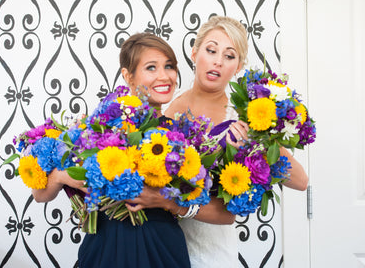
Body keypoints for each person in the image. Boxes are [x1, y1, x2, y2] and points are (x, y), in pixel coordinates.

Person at [32, 32, 191, 268]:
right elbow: (40, 195)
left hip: (162, 247)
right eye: (151, 67)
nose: (164, 76)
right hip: (106, 245)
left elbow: (194, 202)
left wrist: (163, 200)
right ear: (128, 75)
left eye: (169, 66)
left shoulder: (181, 136)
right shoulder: (99, 127)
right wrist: (66, 176)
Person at [162, 15, 309, 267]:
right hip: (169, 244)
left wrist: (258, 141)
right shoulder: (169, 112)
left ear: (238, 66)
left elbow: (300, 181)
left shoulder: (243, 117)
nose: (218, 61)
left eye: (229, 56)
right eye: (211, 50)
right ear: (195, 53)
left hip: (216, 249)